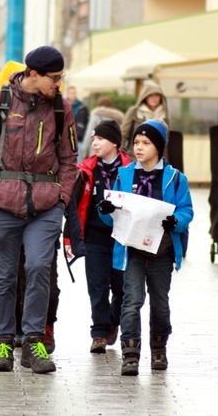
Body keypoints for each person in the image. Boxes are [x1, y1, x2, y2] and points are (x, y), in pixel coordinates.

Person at [0, 45, 78, 375]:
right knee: (3, 276)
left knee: (40, 267)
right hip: (0, 204)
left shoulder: (62, 108)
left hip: (45, 205)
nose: (58, 84)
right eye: (54, 78)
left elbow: (70, 159)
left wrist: (62, 199)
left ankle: (33, 342)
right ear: (33, 74)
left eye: (61, 78)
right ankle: (3, 343)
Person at [96, 119, 193, 376]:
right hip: (132, 252)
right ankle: (130, 354)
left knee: (160, 303)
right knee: (131, 302)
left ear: (158, 147)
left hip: (161, 251)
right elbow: (113, 213)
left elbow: (186, 210)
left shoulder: (174, 178)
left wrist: (178, 221)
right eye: (137, 142)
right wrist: (106, 210)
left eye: (146, 143)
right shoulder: (124, 175)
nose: (139, 147)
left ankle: (159, 350)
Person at [64, 120, 131, 353]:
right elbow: (73, 207)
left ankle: (113, 322)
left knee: (121, 287)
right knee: (97, 287)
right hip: (94, 236)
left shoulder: (130, 169)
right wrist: (69, 239)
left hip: (122, 238)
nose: (95, 143)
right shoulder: (86, 170)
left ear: (114, 142)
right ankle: (100, 333)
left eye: (100, 139)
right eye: (93, 139)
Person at [120, 82, 170, 159]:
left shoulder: (165, 115)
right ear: (145, 96)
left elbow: (166, 140)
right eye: (150, 95)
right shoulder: (134, 112)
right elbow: (123, 135)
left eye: (156, 95)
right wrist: (121, 156)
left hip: (158, 161)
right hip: (136, 158)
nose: (154, 98)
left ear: (161, 97)